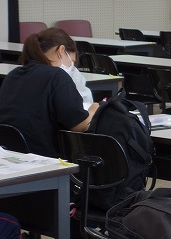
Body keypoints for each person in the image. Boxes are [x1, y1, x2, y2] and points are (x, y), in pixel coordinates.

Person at [0, 28, 98, 158]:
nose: (71, 68)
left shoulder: (13, 75)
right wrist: (95, 109)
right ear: (61, 51)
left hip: (10, 154)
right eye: (72, 62)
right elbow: (79, 126)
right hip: (43, 157)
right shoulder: (57, 76)